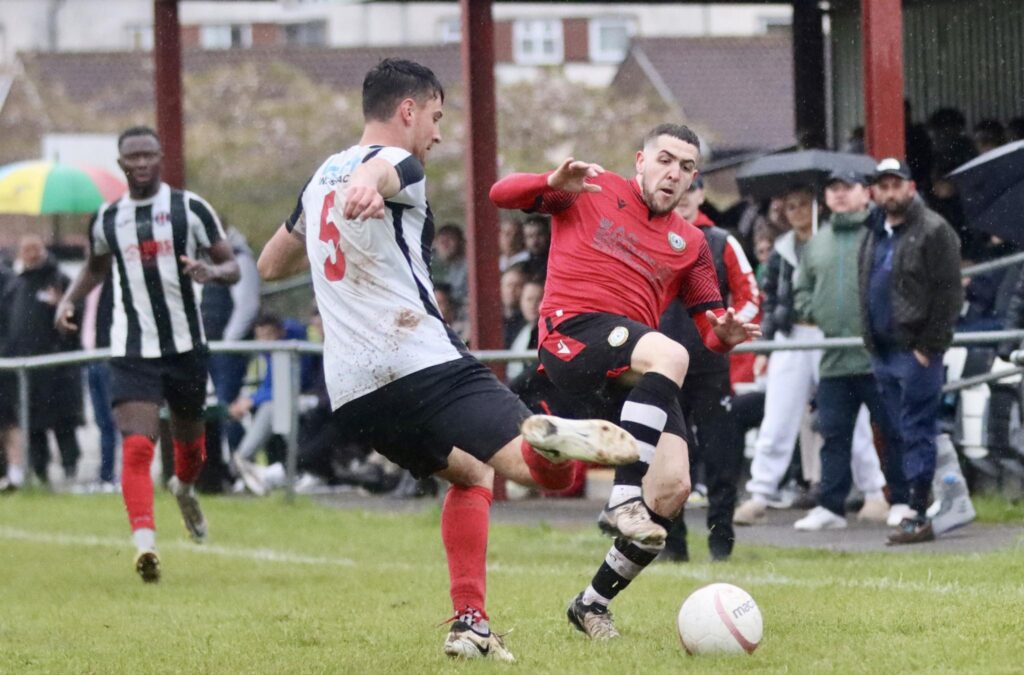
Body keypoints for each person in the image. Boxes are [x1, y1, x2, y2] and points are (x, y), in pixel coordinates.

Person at [254, 58, 640, 663]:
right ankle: (555, 437)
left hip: (354, 390)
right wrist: (370, 185)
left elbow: (269, 265)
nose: (436, 133)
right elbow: (390, 167)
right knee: (547, 476)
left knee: (470, 475)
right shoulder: (401, 166)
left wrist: (334, 209)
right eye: (434, 117)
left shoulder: (317, 179)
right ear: (408, 110)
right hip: (421, 360)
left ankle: (471, 623)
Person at [490, 123, 759, 640]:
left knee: (674, 488)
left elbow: (711, 330)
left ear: (693, 180)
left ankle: (590, 604)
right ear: (640, 160)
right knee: (669, 353)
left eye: (685, 167)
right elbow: (500, 194)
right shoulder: (592, 188)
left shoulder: (694, 243)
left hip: (631, 366)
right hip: (572, 333)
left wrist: (725, 334)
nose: (673, 173)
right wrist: (551, 179)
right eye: (664, 159)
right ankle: (620, 496)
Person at [55, 125, 240, 582]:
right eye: (131, 157)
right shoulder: (106, 219)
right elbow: (95, 268)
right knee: (137, 445)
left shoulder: (190, 208)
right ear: (121, 164)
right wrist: (69, 299)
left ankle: (184, 489)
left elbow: (234, 266)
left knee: (190, 450)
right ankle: (144, 544)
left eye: (148, 156)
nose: (140, 164)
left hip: (186, 347)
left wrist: (210, 271)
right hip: (132, 348)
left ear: (160, 159)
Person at [859, 158, 965, 544]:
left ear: (910, 186)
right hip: (883, 350)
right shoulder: (874, 229)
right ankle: (920, 502)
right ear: (875, 190)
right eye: (882, 185)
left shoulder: (935, 230)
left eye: (896, 184)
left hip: (915, 350)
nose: (889, 192)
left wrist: (928, 347)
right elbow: (866, 282)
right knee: (896, 431)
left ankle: (919, 512)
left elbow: (950, 294)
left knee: (918, 429)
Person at [791, 170, 903, 531]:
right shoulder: (817, 241)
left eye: (847, 188)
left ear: (864, 193)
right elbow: (801, 288)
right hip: (834, 357)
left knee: (893, 430)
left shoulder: (880, 232)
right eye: (833, 189)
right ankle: (831, 507)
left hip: (878, 355)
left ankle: (901, 500)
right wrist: (813, 310)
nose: (839, 195)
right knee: (833, 435)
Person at [657, 175, 760, 562]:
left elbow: (750, 295)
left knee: (721, 456)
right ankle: (672, 543)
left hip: (710, 367)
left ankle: (721, 540)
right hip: (662, 368)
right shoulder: (646, 237)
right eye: (675, 189)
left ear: (701, 195)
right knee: (668, 459)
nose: (682, 196)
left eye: (690, 189)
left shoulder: (720, 240)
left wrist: (728, 334)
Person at [0, 235, 85, 487]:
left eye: (36, 249)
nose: (32, 254)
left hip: (58, 371)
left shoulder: (60, 280)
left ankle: (70, 472)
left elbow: (76, 320)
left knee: (63, 425)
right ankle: (41, 474)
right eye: (26, 250)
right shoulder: (15, 285)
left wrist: (65, 307)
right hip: (26, 373)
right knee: (34, 427)